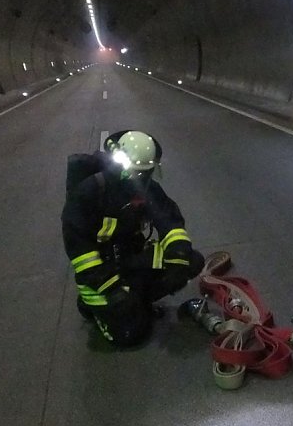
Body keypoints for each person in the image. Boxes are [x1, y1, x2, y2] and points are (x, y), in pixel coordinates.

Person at [61, 130, 204, 346]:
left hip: (132, 258)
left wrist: (178, 257)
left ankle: (138, 300)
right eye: (136, 172)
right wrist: (112, 290)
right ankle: (92, 306)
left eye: (145, 172)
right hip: (101, 271)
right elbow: (82, 254)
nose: (140, 178)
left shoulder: (145, 187)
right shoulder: (89, 192)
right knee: (131, 335)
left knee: (191, 262)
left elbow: (169, 221)